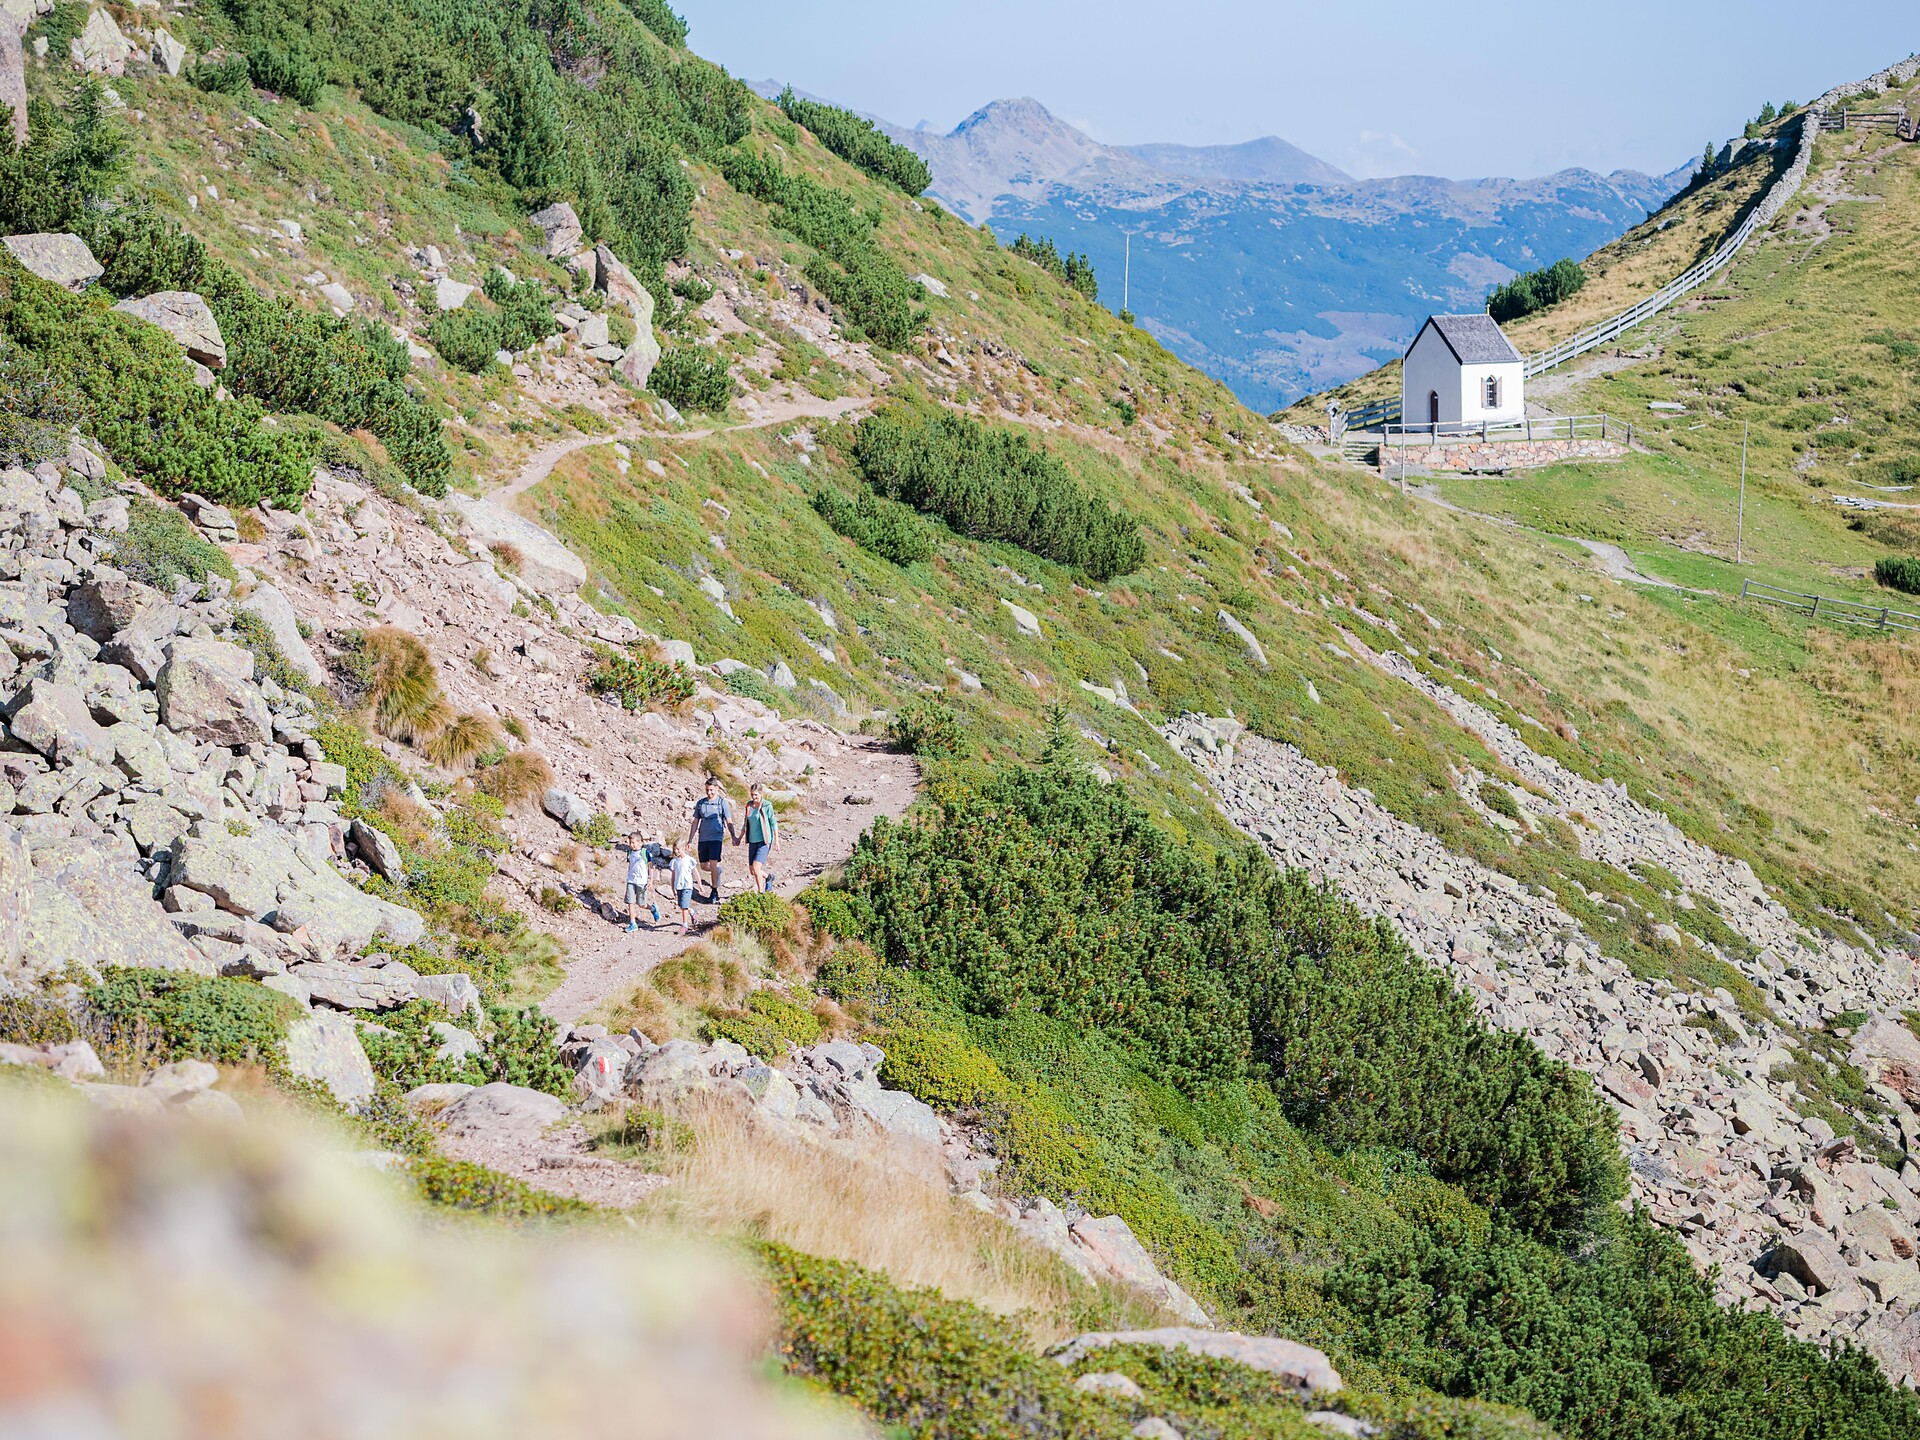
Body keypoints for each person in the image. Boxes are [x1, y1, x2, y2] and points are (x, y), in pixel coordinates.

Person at [687, 775, 734, 905]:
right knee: (704, 866)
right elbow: (695, 822)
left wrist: (733, 836)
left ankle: (714, 891)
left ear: (717, 789)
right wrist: (690, 839)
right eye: (707, 790)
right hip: (703, 838)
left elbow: (728, 820)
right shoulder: (701, 803)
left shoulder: (722, 803)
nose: (709, 792)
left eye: (711, 790)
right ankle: (717, 871)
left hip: (716, 838)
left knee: (713, 863)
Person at [742, 782, 779, 894]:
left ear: (761, 794)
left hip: (764, 841)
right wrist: (739, 838)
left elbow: (773, 823)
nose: (754, 797)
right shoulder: (749, 806)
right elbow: (745, 823)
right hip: (753, 841)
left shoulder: (767, 806)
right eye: (752, 794)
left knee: (756, 868)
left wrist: (777, 841)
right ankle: (768, 877)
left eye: (756, 795)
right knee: (752, 871)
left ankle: (761, 893)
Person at [622, 832, 659, 931]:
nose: (631, 845)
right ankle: (633, 923)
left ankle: (653, 909)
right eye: (630, 842)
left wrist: (650, 880)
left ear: (640, 843)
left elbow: (651, 866)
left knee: (641, 904)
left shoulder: (645, 852)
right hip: (631, 880)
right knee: (630, 902)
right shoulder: (629, 852)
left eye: (633, 842)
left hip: (642, 881)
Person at [668, 841, 698, 935]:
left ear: (684, 848)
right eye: (675, 849)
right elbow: (673, 875)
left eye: (678, 849)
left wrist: (700, 884)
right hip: (679, 886)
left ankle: (685, 925)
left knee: (684, 906)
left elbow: (695, 872)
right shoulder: (674, 861)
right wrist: (672, 887)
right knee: (682, 905)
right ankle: (692, 912)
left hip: (687, 886)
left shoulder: (689, 860)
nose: (676, 851)